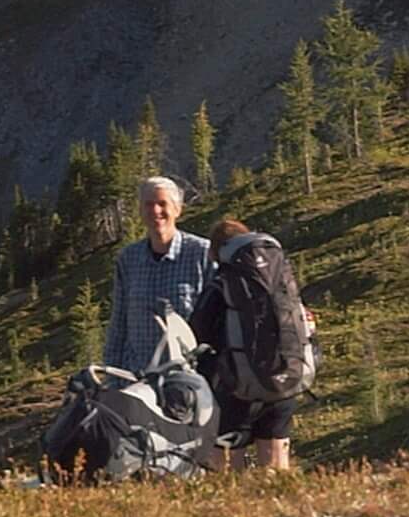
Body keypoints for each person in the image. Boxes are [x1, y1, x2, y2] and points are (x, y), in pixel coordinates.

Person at [191, 216, 302, 473]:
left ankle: (236, 510)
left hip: (237, 386)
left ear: (218, 251)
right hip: (283, 379)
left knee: (227, 468)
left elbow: (196, 331)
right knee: (276, 467)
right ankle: (281, 510)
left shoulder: (223, 282)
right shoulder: (278, 280)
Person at [102, 177, 211, 376]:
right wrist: (112, 375)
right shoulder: (128, 259)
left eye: (162, 204)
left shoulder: (202, 253)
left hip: (190, 380)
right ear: (140, 211)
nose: (155, 211)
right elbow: (119, 322)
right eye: (148, 204)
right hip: (137, 378)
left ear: (178, 209)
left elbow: (219, 319)